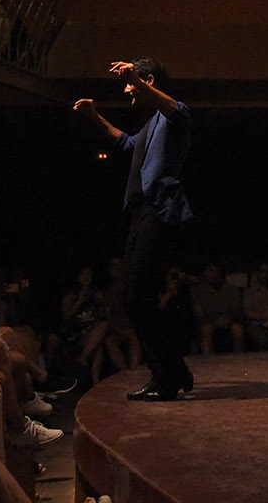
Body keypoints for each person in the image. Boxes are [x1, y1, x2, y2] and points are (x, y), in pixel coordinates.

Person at [73, 58, 195, 401]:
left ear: (149, 80)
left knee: (136, 295)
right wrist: (94, 117)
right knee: (133, 297)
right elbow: (124, 143)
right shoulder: (148, 129)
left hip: (160, 212)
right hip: (141, 214)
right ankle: (174, 370)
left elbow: (176, 108)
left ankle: (166, 377)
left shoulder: (174, 116)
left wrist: (136, 80)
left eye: (131, 85)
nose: (128, 91)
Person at [190, 262, 245, 354]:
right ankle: (210, 362)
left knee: (238, 329)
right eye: (210, 271)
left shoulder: (232, 289)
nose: (214, 274)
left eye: (217, 271)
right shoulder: (196, 290)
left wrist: (228, 319)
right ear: (205, 273)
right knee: (206, 329)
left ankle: (238, 361)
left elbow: (236, 309)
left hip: (228, 319)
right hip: (208, 320)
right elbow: (199, 313)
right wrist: (214, 320)